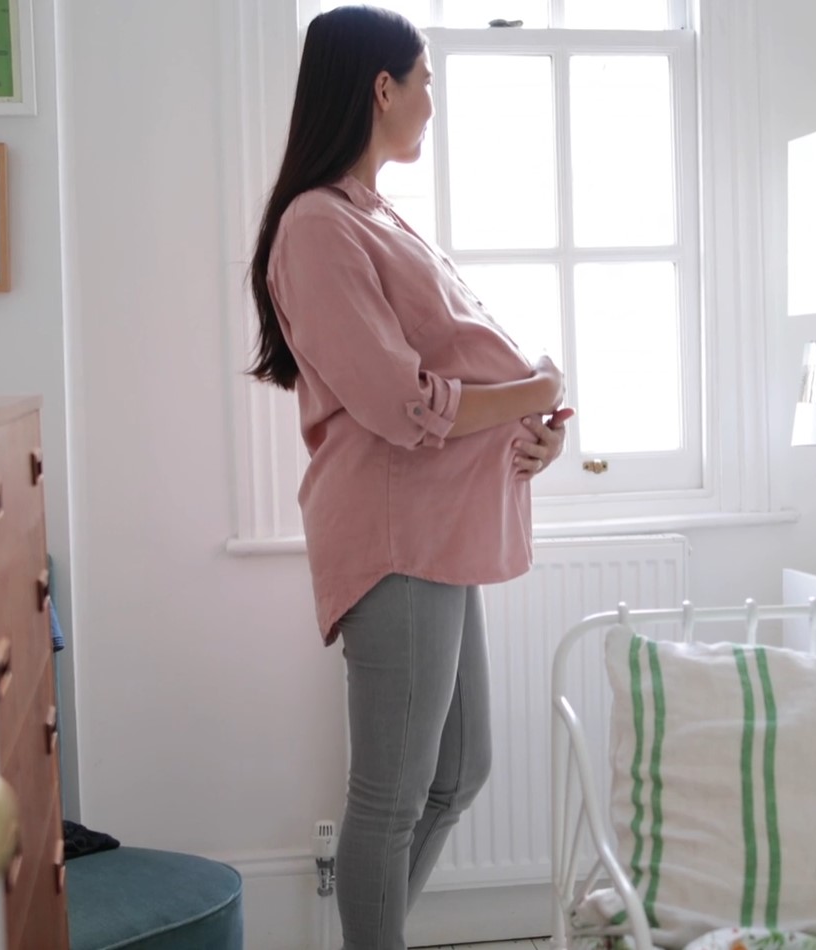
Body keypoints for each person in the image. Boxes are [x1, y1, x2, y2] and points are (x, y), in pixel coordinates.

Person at [246, 6, 574, 949]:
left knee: (457, 774)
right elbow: (403, 402)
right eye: (424, 80)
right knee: (388, 798)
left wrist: (537, 414)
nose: (433, 101)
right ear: (381, 87)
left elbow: (471, 361)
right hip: (395, 535)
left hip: (443, 531)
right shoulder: (316, 226)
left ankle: (374, 933)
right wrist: (528, 392)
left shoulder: (377, 215)